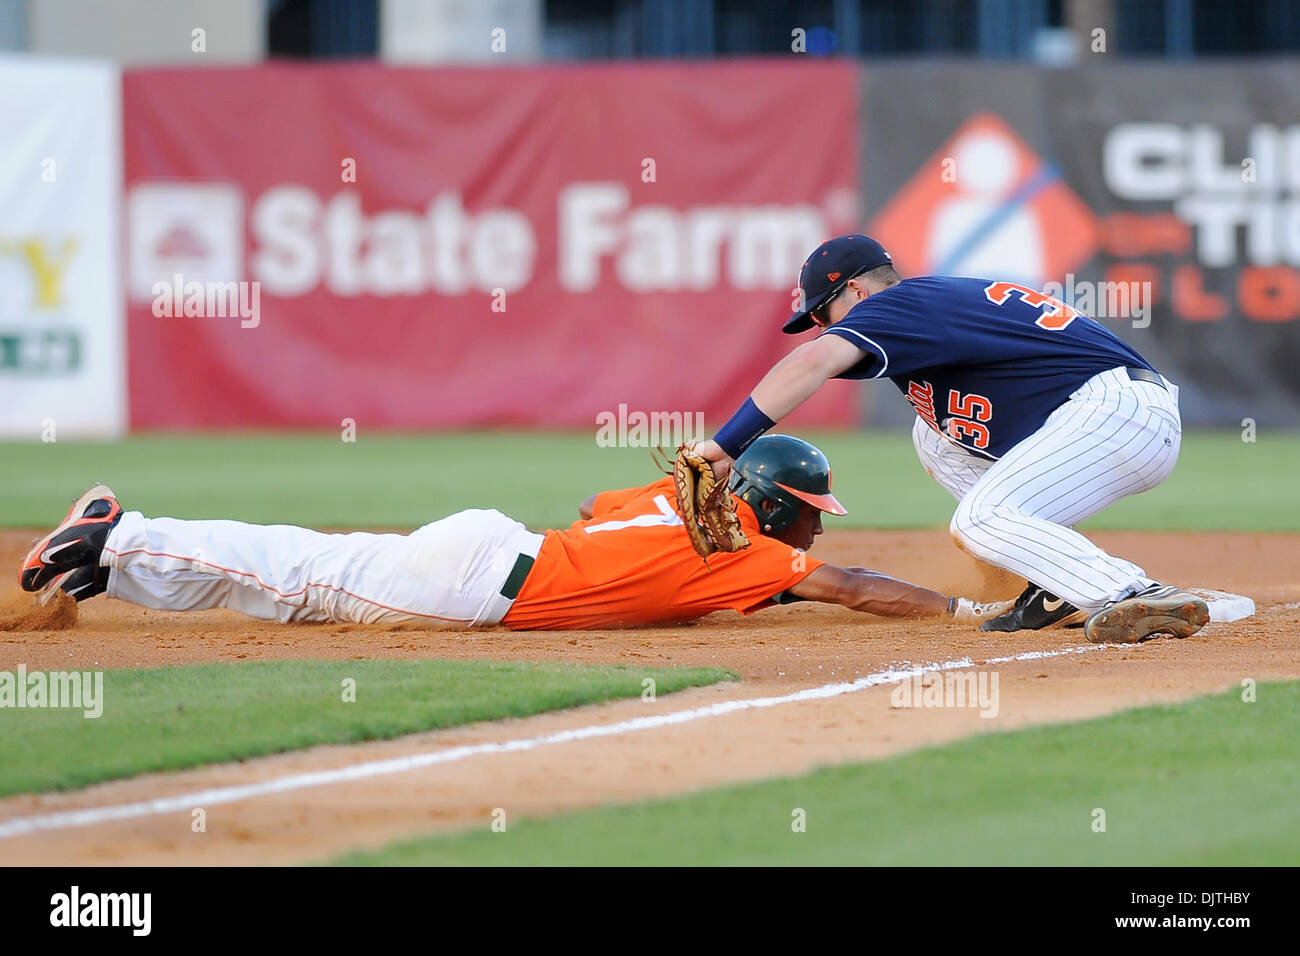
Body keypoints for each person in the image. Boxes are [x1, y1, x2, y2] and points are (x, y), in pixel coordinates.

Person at [689, 234, 1210, 645]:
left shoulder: (897, 304)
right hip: (1107, 415)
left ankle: (1130, 590)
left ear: (857, 291)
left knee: (980, 520)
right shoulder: (930, 313)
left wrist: (725, 446)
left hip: (1117, 413)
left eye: (823, 314)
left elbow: (812, 363)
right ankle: (1056, 586)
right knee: (934, 435)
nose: (821, 328)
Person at [18, 435, 1009, 631]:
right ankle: (121, 537)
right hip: (485, 584)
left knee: (308, 573)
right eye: (808, 508)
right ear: (781, 503)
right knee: (301, 580)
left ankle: (113, 569)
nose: (809, 523)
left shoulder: (670, 504)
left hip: (494, 543)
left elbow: (594, 510)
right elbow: (850, 583)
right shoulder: (744, 551)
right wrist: (963, 607)